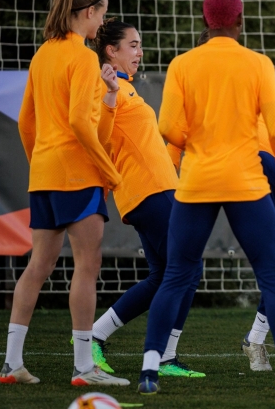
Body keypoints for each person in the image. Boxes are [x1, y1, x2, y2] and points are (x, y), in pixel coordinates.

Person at [137, 0, 275, 399]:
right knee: (273, 276)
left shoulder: (183, 64)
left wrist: (198, 142)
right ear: (240, 21)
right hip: (246, 182)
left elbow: (167, 126)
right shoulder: (257, 63)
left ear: (205, 22)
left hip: (197, 181)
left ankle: (150, 368)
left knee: (174, 275)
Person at [0, 0, 129, 387]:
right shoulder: (81, 56)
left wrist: (42, 160)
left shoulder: (42, 54)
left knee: (37, 267)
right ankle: (83, 368)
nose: (102, 22)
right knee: (87, 268)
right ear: (88, 12)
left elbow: (26, 123)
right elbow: (77, 121)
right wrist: (107, 171)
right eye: (102, 14)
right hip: (78, 174)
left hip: (46, 174)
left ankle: (11, 364)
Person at [76, 19, 204, 378]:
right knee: (189, 268)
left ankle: (99, 336)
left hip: (156, 191)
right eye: (132, 45)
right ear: (110, 51)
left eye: (140, 44)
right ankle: (162, 357)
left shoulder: (125, 87)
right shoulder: (107, 88)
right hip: (149, 192)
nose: (139, 51)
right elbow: (98, 139)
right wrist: (110, 95)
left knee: (164, 274)